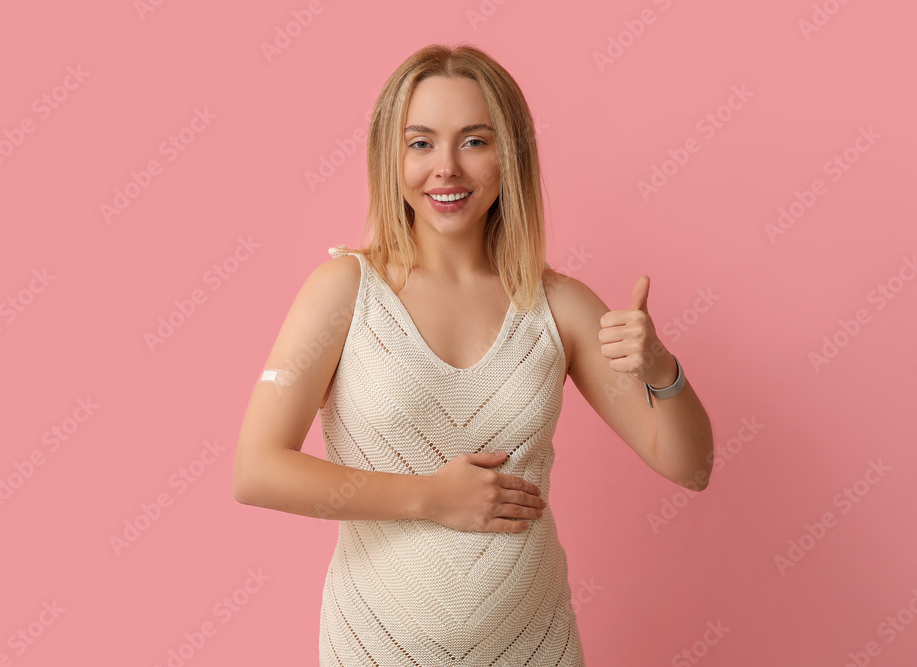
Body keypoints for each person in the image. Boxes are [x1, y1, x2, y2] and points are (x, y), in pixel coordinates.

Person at [233, 43, 714, 666]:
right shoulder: (344, 293)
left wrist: (661, 373)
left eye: (475, 141)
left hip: (534, 650)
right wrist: (432, 496)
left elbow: (690, 466)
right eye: (421, 142)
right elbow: (256, 470)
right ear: (391, 155)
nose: (447, 168)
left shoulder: (559, 306)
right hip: (374, 650)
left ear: (510, 155)